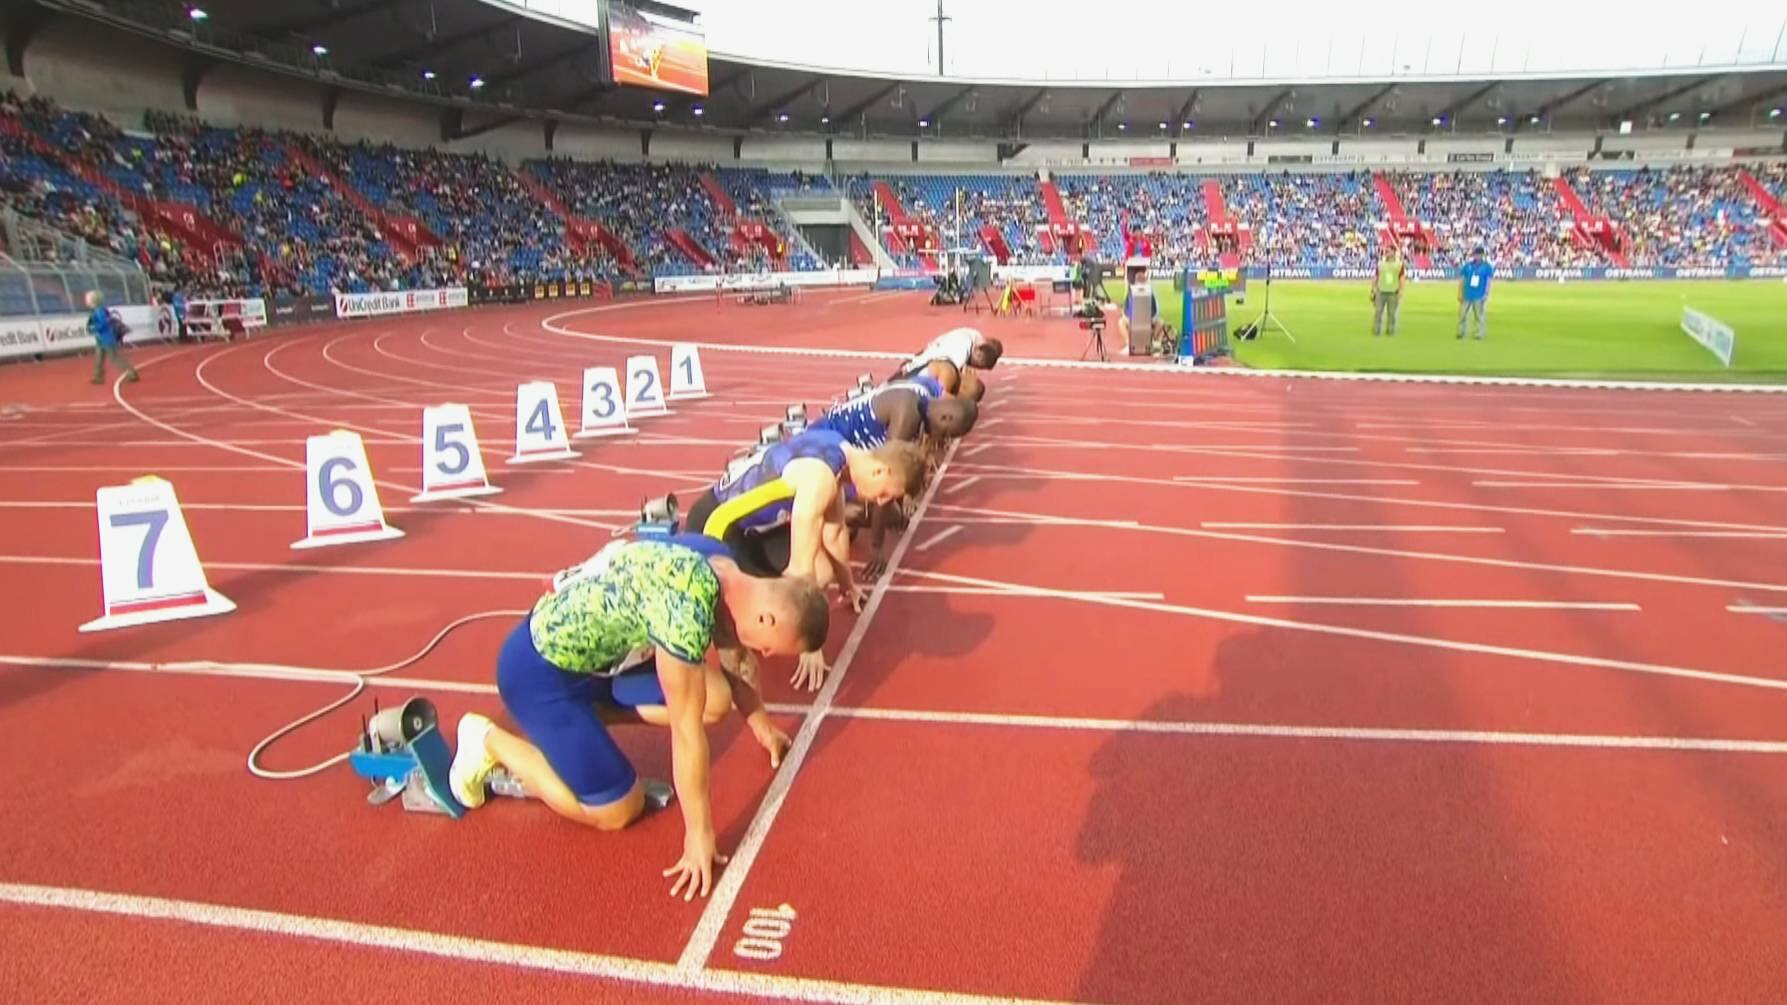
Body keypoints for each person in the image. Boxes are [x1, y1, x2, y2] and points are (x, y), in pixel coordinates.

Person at [447, 535, 828, 900]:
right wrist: (699, 834)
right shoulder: (685, 608)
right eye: (772, 647)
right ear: (767, 619)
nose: (765, 653)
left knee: (716, 699)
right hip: (537, 675)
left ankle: (583, 725)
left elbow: (735, 653)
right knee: (618, 810)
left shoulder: (718, 560)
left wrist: (762, 728)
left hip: (601, 664)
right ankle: (486, 741)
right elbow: (685, 731)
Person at [683, 427, 926, 689]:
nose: (880, 502)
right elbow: (800, 568)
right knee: (807, 574)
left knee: (824, 562)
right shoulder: (820, 479)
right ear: (880, 471)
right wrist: (810, 642)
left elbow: (834, 534)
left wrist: (848, 586)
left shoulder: (838, 451)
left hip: (742, 529)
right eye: (885, 493)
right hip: (713, 529)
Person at [808, 374, 978, 579]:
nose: (942, 438)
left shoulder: (921, 393)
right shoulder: (907, 417)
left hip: (838, 450)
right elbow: (888, 472)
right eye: (947, 433)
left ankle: (835, 512)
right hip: (821, 451)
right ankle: (812, 516)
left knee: (894, 515)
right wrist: (877, 546)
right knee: (884, 514)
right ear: (946, 418)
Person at [892, 327, 1002, 402]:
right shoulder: (957, 359)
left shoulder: (974, 336)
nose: (974, 369)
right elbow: (940, 396)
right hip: (912, 370)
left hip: (919, 363)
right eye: (977, 366)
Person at [85, 291, 138, 385]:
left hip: (106, 337)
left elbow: (104, 323)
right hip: (101, 338)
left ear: (93, 300)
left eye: (87, 298)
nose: (86, 300)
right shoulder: (98, 310)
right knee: (99, 358)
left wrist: (93, 328)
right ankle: (98, 377)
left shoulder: (99, 311)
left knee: (114, 357)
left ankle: (131, 372)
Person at [1457, 246, 1493, 340]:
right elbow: (1462, 279)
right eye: (1475, 254)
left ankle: (1479, 333)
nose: (1476, 256)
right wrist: (1460, 293)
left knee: (1479, 315)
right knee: (1462, 314)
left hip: (1479, 294)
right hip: (1467, 294)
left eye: (1478, 254)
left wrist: (1486, 293)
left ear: (1482, 255)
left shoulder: (1486, 267)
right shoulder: (1468, 266)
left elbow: (1489, 281)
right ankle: (1461, 331)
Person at [1370, 245, 1405, 337]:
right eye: (1386, 251)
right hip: (1381, 291)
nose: (1386, 253)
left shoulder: (1399, 265)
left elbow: (1401, 278)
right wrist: (1373, 289)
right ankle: (1376, 330)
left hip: (1393, 292)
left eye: (1388, 251)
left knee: (1392, 314)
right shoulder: (1380, 264)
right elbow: (1376, 277)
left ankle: (1390, 331)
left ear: (1394, 252)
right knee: (1378, 312)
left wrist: (1401, 291)